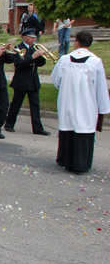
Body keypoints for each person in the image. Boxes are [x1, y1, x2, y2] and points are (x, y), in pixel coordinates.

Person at [51, 31, 110, 172]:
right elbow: (101, 87)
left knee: (68, 127)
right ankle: (81, 164)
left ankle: (65, 160)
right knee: (83, 128)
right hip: (86, 103)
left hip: (67, 102)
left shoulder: (65, 60)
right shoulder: (95, 62)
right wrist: (103, 108)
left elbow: (56, 80)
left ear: (76, 42)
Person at [4, 29, 51, 136]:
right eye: (31, 37)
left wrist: (42, 55)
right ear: (24, 37)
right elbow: (19, 64)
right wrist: (33, 57)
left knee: (35, 105)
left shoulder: (35, 48)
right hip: (21, 80)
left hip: (33, 80)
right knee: (16, 104)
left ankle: (38, 128)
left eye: (34, 37)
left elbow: (40, 64)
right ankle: (9, 124)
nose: (33, 39)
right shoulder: (18, 48)